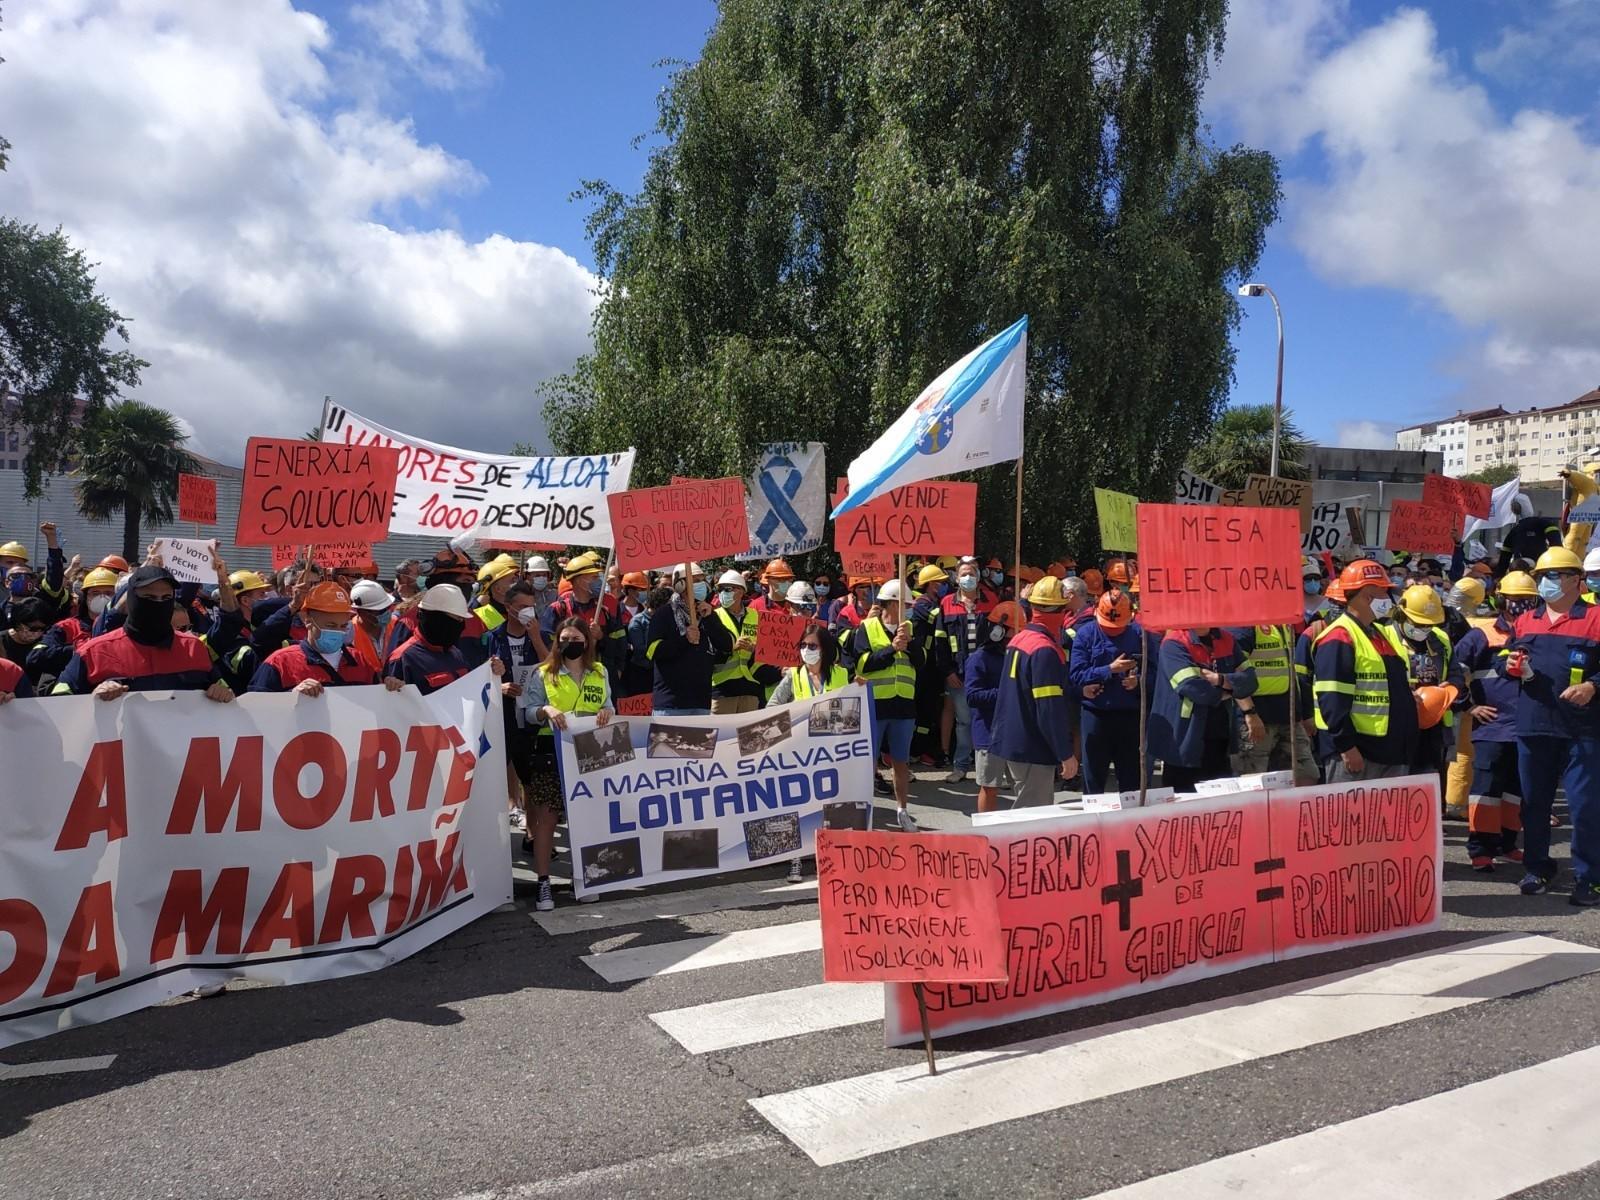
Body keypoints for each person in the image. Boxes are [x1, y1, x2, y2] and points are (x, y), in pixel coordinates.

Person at [1499, 547, 1600, 904]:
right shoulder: (1526, 621)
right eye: (1543, 576)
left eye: (1554, 576)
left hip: (1582, 731)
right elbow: (1503, 662)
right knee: (1535, 805)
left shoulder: (1596, 618)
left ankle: (1590, 877)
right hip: (1534, 726)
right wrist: (1509, 665)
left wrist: (1593, 686)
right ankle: (1538, 867)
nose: (1546, 582)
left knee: (1585, 806)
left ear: (1576, 580)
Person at [519, 618, 614, 911]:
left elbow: (610, 705)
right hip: (552, 751)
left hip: (588, 751)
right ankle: (544, 882)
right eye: (564, 638)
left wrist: (607, 712)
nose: (569, 643)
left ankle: (583, 877)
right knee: (546, 820)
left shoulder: (599, 671)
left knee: (585, 818)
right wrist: (545, 709)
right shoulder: (543, 673)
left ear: (586, 641)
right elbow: (527, 713)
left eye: (575, 638)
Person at [54, 565, 234, 701]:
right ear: (132, 600)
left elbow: (227, 695)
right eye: (149, 598)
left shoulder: (194, 648)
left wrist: (223, 695)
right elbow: (58, 705)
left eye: (166, 598)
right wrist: (92, 698)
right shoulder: (93, 652)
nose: (158, 604)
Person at [1312, 559, 1419, 782]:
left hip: (1389, 751)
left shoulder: (1379, 633)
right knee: (1349, 817)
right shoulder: (1339, 637)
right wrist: (1347, 746)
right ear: (1367, 596)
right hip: (1358, 754)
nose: (1389, 600)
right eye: (1384, 594)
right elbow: (1332, 699)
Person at [1456, 571, 1534, 871]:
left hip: (1526, 728)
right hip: (1492, 728)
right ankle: (1481, 850)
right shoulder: (1482, 634)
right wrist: (1468, 706)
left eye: (1525, 600)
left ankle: (1507, 843)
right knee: (1486, 791)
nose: (1518, 606)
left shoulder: (1536, 633)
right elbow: (1453, 671)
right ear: (1501, 600)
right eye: (1513, 600)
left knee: (1516, 791)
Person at [767, 621, 851, 882]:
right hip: (800, 755)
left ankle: (826, 858)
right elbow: (772, 707)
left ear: (824, 649)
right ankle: (795, 859)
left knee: (828, 807)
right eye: (803, 645)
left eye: (812, 645)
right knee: (798, 806)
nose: (806, 650)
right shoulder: (793, 676)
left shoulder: (841, 675)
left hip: (831, 753)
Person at [987, 576, 1080, 805]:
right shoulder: (1044, 650)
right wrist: (1065, 753)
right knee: (1032, 818)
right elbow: (1048, 709)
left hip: (1013, 740)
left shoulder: (1020, 639)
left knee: (1025, 812)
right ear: (1058, 611)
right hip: (1033, 746)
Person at [849, 580, 922, 828]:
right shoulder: (866, 628)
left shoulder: (909, 628)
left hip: (904, 706)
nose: (910, 609)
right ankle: (864, 813)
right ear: (892, 603)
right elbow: (862, 664)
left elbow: (922, 662)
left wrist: (909, 644)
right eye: (906, 604)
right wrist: (891, 649)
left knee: (901, 762)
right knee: (867, 762)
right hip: (875, 704)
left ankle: (902, 810)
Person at [1150, 623, 1253, 792]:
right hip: (1184, 740)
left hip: (1220, 739)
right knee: (1183, 804)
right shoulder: (1174, 643)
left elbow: (1250, 680)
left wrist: (1220, 679)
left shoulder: (1226, 639)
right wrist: (1227, 691)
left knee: (1219, 803)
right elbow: (1190, 686)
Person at [250, 583, 397, 693]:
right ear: (308, 621)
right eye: (331, 625)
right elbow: (256, 710)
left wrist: (389, 688)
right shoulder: (280, 663)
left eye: (342, 626)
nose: (338, 632)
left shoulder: (360, 661)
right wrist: (291, 697)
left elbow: (375, 705)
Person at [1390, 583, 1468, 786]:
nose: (1424, 629)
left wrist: (1448, 690)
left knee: (1429, 786)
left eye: (1428, 625)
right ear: (1402, 615)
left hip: (1435, 727)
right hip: (1397, 725)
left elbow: (1456, 675)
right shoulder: (1385, 637)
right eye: (1419, 623)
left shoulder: (1440, 639)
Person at [1070, 588, 1144, 794]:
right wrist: (1109, 670)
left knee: (1131, 780)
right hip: (1096, 714)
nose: (1113, 630)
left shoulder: (1138, 635)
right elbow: (1075, 675)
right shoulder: (1086, 634)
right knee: (1093, 777)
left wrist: (1138, 681)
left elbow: (1156, 672)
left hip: (1129, 715)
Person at [1232, 618, 1317, 784]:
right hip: (1258, 718)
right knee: (1254, 781)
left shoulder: (1283, 624)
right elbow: (1235, 675)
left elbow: (1291, 672)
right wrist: (1250, 713)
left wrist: (1305, 714)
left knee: (1306, 774)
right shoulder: (1244, 627)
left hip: (1288, 717)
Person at [489, 580, 543, 841]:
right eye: (522, 607)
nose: (527, 612)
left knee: (532, 779)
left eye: (531, 607)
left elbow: (552, 668)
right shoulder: (492, 638)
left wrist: (536, 637)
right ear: (508, 607)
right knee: (499, 771)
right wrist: (498, 687)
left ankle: (533, 836)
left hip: (532, 716)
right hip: (504, 717)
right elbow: (478, 678)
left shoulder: (539, 635)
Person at [935, 557, 994, 783]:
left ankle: (987, 768)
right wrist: (947, 672)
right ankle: (960, 766)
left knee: (988, 720)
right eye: (964, 574)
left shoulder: (991, 601)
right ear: (956, 578)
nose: (968, 578)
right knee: (964, 722)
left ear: (978, 577)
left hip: (985, 673)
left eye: (972, 573)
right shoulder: (946, 603)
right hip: (958, 673)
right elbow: (940, 642)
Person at [647, 562, 733, 716]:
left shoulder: (707, 613)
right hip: (671, 705)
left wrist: (710, 619)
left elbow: (727, 645)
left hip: (701, 703)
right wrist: (684, 640)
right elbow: (653, 651)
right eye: (696, 580)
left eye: (702, 580)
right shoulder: (664, 614)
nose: (702, 584)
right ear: (680, 585)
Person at [386, 585, 502, 694]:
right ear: (434, 619)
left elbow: (470, 691)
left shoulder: (455, 654)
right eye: (456, 619)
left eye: (461, 619)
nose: (460, 625)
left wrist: (490, 672)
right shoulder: (403, 658)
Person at [965, 601, 1021, 811]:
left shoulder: (1016, 656)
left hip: (1014, 731)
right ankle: (987, 833)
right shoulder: (979, 659)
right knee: (989, 786)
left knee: (1021, 786)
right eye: (1014, 632)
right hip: (988, 734)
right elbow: (972, 696)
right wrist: (1006, 694)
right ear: (998, 632)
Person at [30, 566, 120, 686]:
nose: (102, 597)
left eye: (108, 593)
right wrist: (77, 650)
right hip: (73, 695)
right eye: (95, 593)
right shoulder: (67, 627)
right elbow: (35, 657)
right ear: (85, 596)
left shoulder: (124, 629)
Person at [710, 568, 764, 715]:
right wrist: (730, 647)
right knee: (722, 736)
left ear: (740, 591)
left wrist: (755, 649)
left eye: (726, 589)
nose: (722, 593)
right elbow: (707, 652)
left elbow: (767, 649)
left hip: (750, 687)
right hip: (722, 689)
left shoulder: (756, 616)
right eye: (719, 589)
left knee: (748, 736)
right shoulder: (714, 617)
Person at [349, 578, 403, 674]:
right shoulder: (349, 634)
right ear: (362, 612)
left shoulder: (397, 625)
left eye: (388, 608)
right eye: (381, 610)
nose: (387, 612)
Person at [1, 597, 53, 683]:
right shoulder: (2, 643)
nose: (37, 633)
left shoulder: (46, 642)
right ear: (18, 624)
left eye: (43, 629)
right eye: (33, 628)